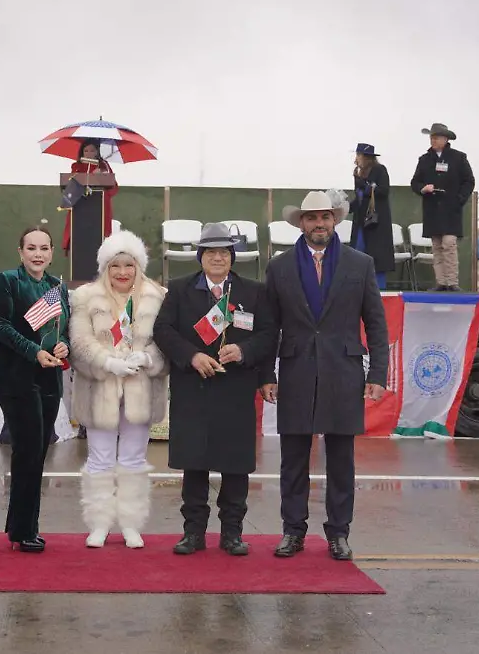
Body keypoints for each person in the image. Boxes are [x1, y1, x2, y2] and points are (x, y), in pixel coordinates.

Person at [261, 189, 389, 560]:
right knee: (293, 460)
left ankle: (339, 533)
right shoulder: (280, 267)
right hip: (297, 370)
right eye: (312, 217)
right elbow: (269, 327)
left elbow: (376, 325)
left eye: (326, 217)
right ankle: (293, 531)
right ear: (301, 223)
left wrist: (377, 373)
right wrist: (267, 374)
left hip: (343, 372)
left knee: (341, 461)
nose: (319, 224)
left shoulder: (359, 264)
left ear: (336, 221)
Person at [153, 222, 276, 557]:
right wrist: (191, 356)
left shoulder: (253, 292)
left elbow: (268, 334)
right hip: (193, 389)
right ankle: (193, 533)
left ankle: (232, 533)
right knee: (195, 464)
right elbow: (163, 330)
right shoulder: (179, 290)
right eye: (211, 252)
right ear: (200, 256)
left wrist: (244, 351)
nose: (218, 258)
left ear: (232, 257)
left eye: (224, 252)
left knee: (235, 465)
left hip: (236, 390)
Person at [69, 230, 168, 549]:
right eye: (115, 266)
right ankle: (99, 524)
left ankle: (130, 524)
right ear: (104, 267)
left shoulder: (158, 295)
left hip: (140, 391)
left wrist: (148, 358)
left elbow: (166, 344)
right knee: (98, 460)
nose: (122, 272)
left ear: (139, 266)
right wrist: (107, 362)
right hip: (100, 392)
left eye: (129, 265)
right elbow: (80, 343)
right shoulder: (85, 297)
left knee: (133, 459)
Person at [0, 226, 70, 552]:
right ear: (20, 251)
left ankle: (22, 527)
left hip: (50, 378)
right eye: (31, 248)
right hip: (16, 378)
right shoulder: (6, 280)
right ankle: (24, 530)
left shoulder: (56, 288)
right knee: (28, 451)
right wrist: (34, 351)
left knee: (38, 453)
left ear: (51, 253)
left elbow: (65, 330)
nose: (38, 254)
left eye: (44, 248)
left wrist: (63, 346)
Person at [409, 123, 475, 291]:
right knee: (437, 246)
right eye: (431, 137)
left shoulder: (458, 158)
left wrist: (459, 199)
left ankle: (452, 282)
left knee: (449, 243)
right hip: (432, 209)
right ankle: (441, 282)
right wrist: (423, 189)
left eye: (436, 137)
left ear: (445, 139)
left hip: (450, 209)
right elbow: (415, 182)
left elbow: (469, 181)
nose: (433, 140)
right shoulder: (424, 159)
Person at [349, 143, 396, 290]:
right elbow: (359, 198)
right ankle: (358, 289)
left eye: (358, 155)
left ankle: (378, 291)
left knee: (377, 258)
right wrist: (345, 207)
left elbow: (383, 191)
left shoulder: (379, 170)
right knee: (358, 254)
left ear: (366, 157)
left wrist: (365, 185)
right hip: (361, 223)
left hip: (376, 223)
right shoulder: (358, 173)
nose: (356, 158)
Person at [61, 140, 118, 254]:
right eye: (85, 150)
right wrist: (86, 177)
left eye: (92, 150)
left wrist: (101, 176)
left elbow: (113, 186)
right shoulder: (77, 166)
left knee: (98, 242)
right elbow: (70, 185)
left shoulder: (104, 166)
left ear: (97, 152)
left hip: (99, 208)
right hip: (80, 208)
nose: (88, 153)